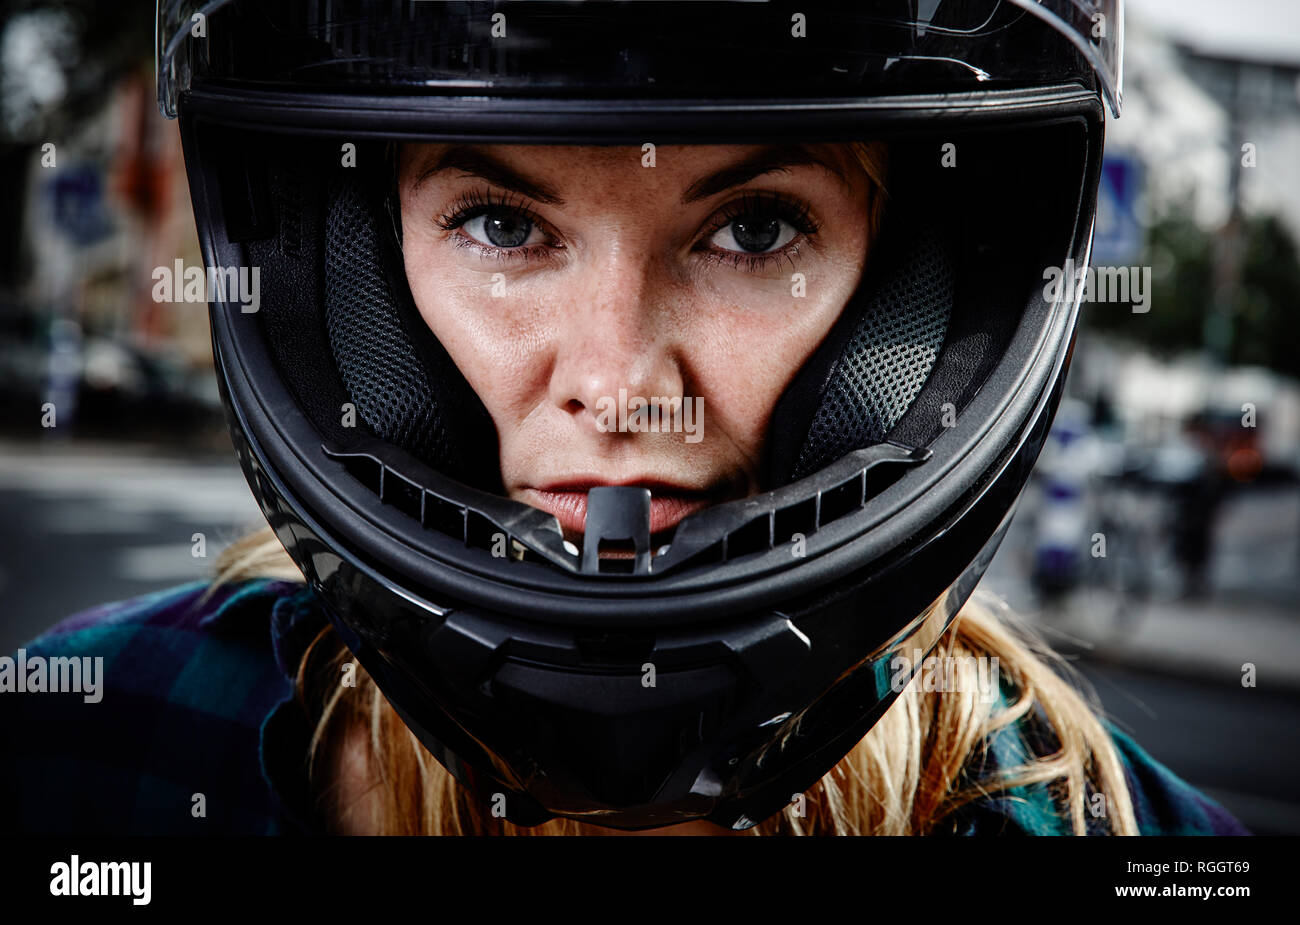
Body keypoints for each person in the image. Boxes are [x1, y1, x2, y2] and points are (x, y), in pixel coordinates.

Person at [3, 0, 1248, 836]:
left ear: (924, 293)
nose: (618, 381)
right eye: (501, 224)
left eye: (754, 230)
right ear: (347, 277)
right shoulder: (89, 745)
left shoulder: (1120, 835)